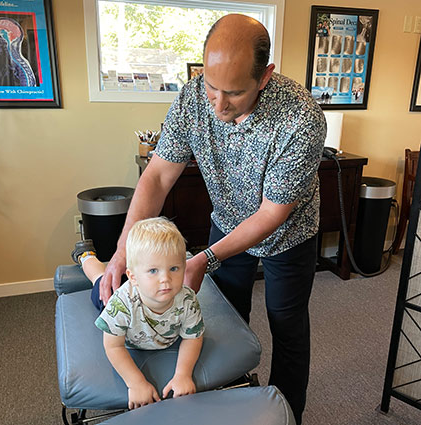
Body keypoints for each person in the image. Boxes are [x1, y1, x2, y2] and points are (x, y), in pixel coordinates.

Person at [99, 14, 326, 424]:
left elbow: (272, 214)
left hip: (288, 234)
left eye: (234, 93)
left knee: (286, 323)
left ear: (265, 76)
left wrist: (204, 257)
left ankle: (289, 414)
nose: (218, 105)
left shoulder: (302, 119)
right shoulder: (191, 100)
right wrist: (121, 252)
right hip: (226, 221)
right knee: (224, 318)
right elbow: (157, 176)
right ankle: (228, 403)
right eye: (210, 86)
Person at [71, 217, 204, 410]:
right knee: (99, 280)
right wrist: (136, 383)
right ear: (132, 276)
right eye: (153, 271)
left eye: (174, 268)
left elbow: (193, 337)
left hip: (140, 290)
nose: (165, 279)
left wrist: (183, 374)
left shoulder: (187, 300)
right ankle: (86, 255)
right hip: (119, 301)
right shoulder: (120, 303)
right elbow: (113, 347)